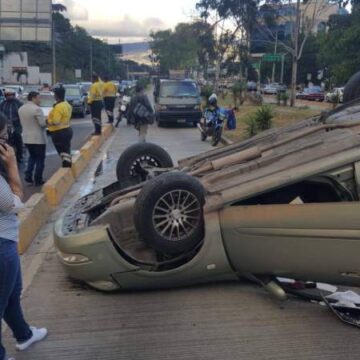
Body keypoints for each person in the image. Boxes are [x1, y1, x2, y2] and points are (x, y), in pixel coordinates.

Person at [0, 112, 48, 360]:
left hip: (6, 240)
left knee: (11, 292)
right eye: (4, 136)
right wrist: (12, 166)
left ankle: (24, 334)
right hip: (1, 244)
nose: (7, 143)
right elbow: (15, 202)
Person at [18, 92, 47, 186]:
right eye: (39, 98)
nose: (40, 100)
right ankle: (38, 179)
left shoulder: (21, 109)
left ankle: (28, 175)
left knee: (32, 157)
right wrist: (48, 120)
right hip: (38, 139)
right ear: (33, 98)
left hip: (26, 138)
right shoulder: (37, 109)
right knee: (40, 159)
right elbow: (42, 124)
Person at [47, 87, 73, 168]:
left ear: (56, 96)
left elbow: (56, 121)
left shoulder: (58, 107)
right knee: (66, 150)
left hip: (59, 132)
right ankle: (68, 165)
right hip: (67, 129)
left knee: (62, 152)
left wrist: (47, 121)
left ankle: (66, 166)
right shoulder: (67, 104)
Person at [0, 90, 23, 163]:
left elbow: (22, 114)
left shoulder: (18, 103)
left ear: (13, 95)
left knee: (18, 138)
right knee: (5, 141)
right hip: (5, 125)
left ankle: (19, 156)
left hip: (16, 124)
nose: (9, 96)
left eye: (11, 95)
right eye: (7, 95)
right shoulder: (3, 104)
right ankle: (5, 156)